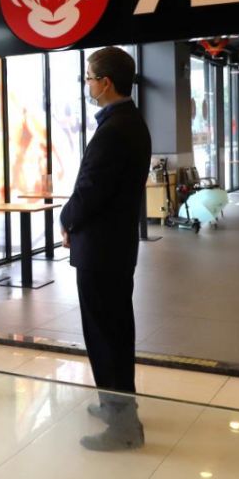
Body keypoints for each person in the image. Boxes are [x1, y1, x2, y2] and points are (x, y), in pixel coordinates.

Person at [60, 47, 152, 451]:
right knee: (115, 328)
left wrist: (67, 219)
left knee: (105, 333)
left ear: (105, 83)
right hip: (114, 246)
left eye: (88, 78)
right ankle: (115, 404)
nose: (87, 85)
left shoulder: (115, 129)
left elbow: (90, 190)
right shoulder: (131, 121)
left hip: (101, 251)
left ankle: (123, 426)